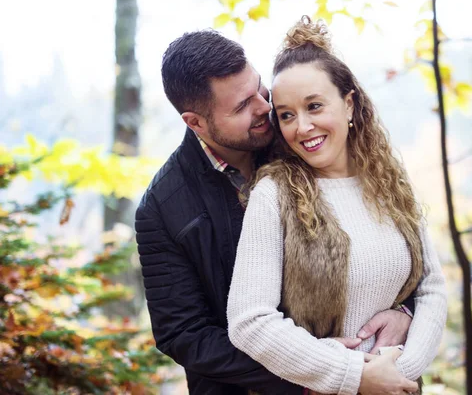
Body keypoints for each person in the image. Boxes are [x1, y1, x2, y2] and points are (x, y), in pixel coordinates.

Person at [135, 27, 417, 395]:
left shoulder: (301, 140)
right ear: (196, 122)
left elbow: (380, 242)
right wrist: (314, 374)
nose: (264, 108)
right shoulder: (162, 207)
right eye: (241, 106)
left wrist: (404, 312)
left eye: (258, 88)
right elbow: (184, 334)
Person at [227, 16, 448, 395]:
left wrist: (400, 373)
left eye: (315, 106)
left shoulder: (389, 182)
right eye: (287, 115)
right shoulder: (275, 195)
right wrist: (354, 376)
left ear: (348, 104)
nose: (302, 127)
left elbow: (432, 287)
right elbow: (249, 320)